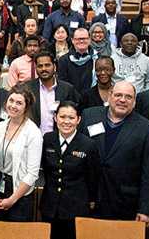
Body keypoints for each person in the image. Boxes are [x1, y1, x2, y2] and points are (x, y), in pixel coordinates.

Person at [81, 81, 149, 228]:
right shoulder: (89, 116)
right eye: (118, 95)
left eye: (128, 97)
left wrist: (146, 209)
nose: (122, 100)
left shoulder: (147, 129)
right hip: (89, 200)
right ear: (109, 97)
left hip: (125, 204)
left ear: (135, 102)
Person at [40, 101, 100, 239]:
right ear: (55, 118)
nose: (66, 121)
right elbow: (46, 170)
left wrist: (91, 201)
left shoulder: (88, 145)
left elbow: (93, 177)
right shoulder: (48, 139)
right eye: (62, 117)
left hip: (76, 208)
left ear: (78, 120)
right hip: (50, 206)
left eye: (71, 118)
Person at [0, 87, 43, 221]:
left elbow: (32, 174)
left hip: (20, 193)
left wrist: (13, 199)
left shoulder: (33, 133)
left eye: (19, 103)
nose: (13, 105)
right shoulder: (0, 127)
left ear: (26, 107)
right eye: (11, 100)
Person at [26, 51, 80, 135]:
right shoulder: (28, 89)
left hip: (59, 139)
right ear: (35, 68)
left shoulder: (67, 89)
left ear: (54, 67)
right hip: (33, 139)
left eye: (47, 65)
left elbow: (76, 113)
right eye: (40, 66)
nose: (44, 69)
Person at [57, 28, 95, 94]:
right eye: (78, 39)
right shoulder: (63, 60)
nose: (81, 41)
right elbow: (62, 84)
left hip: (92, 99)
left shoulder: (96, 58)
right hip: (71, 99)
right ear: (72, 40)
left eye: (84, 38)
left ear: (89, 40)